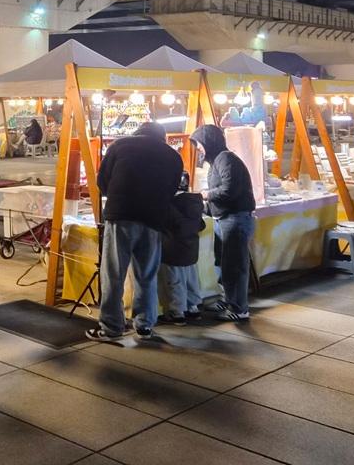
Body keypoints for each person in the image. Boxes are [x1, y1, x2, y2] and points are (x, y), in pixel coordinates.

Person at [88, 122, 183, 341]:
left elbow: (102, 181)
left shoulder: (120, 146)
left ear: (138, 132)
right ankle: (144, 326)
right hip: (153, 219)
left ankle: (111, 327)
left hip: (121, 215)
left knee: (113, 273)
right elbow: (173, 189)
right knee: (146, 275)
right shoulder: (173, 156)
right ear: (162, 137)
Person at [190, 124, 256, 322]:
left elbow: (229, 189)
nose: (198, 149)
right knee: (223, 263)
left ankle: (239, 308)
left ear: (209, 141)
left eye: (199, 144)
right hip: (225, 219)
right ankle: (229, 300)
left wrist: (206, 195)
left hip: (235, 219)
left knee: (234, 265)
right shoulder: (218, 160)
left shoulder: (226, 159)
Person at [159, 171, 206, 326]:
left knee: (175, 281)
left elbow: (164, 223)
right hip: (191, 248)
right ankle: (193, 307)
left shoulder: (170, 204)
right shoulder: (195, 201)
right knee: (191, 279)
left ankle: (177, 313)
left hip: (172, 249)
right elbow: (201, 225)